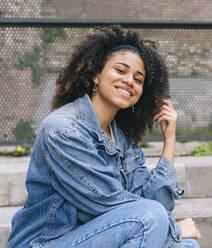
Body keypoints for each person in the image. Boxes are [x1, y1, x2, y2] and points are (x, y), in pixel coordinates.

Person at [8, 25, 201, 248]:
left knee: (187, 246)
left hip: (94, 238)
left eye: (138, 79)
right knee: (151, 219)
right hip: (48, 243)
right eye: (120, 70)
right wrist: (175, 228)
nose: (130, 81)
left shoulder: (121, 140)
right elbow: (106, 201)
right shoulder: (63, 130)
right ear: (96, 74)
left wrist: (170, 140)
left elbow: (156, 204)